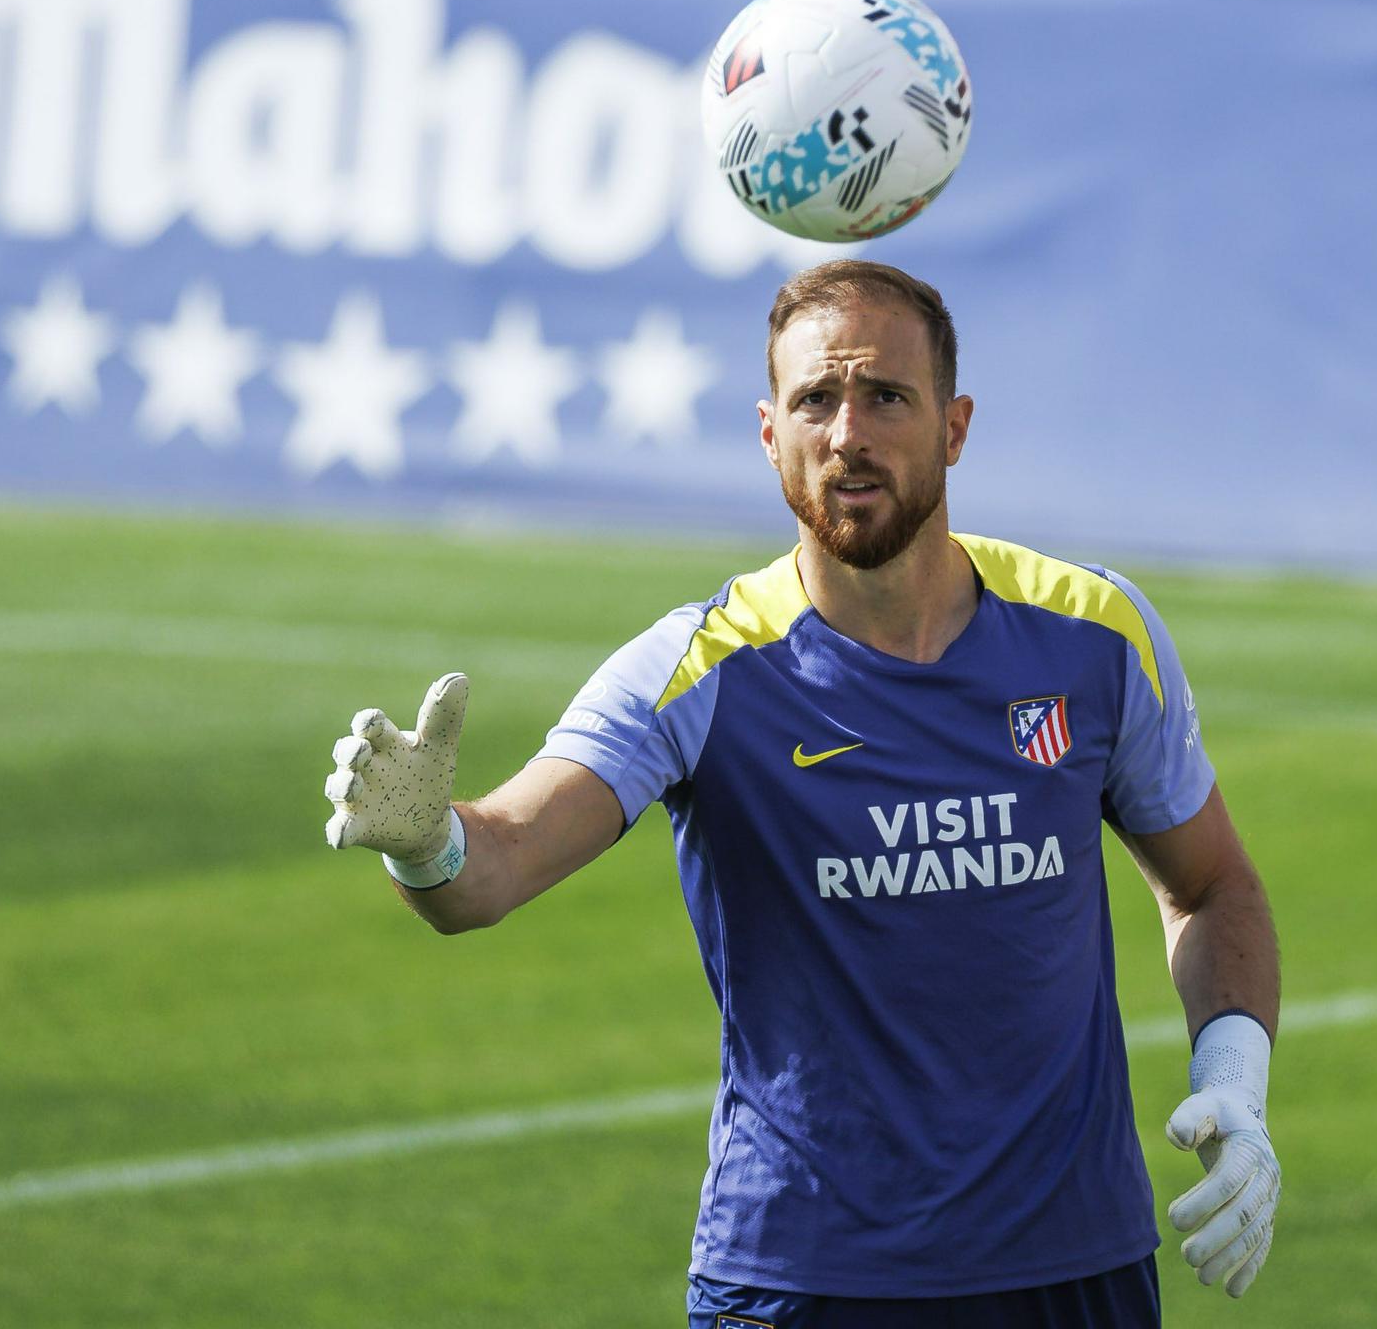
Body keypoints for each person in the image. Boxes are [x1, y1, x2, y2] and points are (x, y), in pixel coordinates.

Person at [321, 261, 1282, 1327]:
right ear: (769, 432)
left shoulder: (1093, 633)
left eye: (886, 396)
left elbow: (1213, 886)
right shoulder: (698, 668)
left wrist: (1235, 1083)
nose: (847, 434)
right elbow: (495, 864)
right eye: (817, 399)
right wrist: (427, 841)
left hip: (1074, 1269)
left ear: (955, 427)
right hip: (801, 1280)